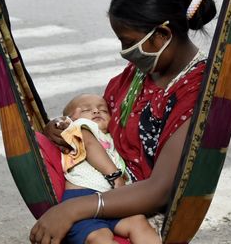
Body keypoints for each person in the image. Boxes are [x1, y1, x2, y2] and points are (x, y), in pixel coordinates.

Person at [30, 0, 218, 244]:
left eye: (130, 43)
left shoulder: (195, 92)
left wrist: (73, 209)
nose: (125, 51)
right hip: (99, 186)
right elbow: (99, 123)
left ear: (163, 34)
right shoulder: (142, 71)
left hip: (138, 211)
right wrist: (63, 129)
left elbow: (159, 190)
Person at [56, 94, 159, 244]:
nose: (96, 111)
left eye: (103, 110)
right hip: (81, 197)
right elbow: (89, 145)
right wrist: (115, 176)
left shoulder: (112, 137)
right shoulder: (79, 128)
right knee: (99, 237)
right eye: (87, 109)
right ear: (73, 117)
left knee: (138, 222)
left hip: (112, 200)